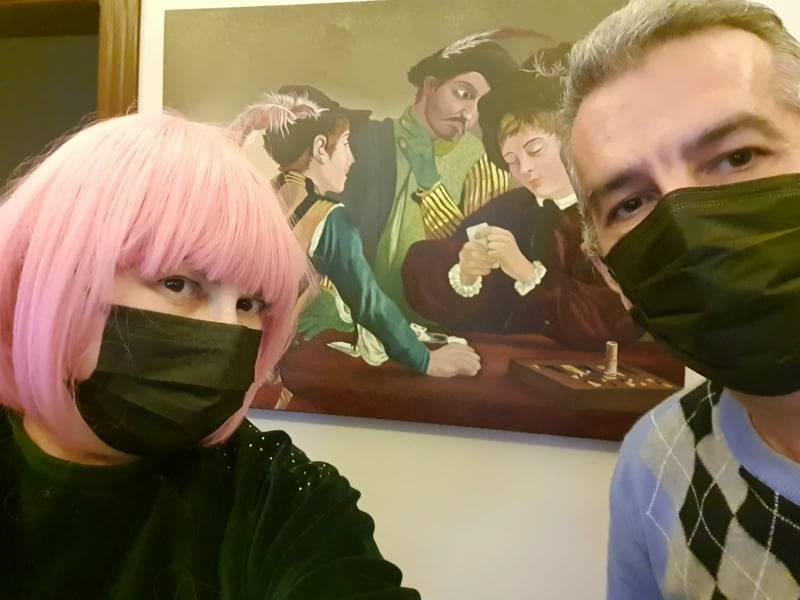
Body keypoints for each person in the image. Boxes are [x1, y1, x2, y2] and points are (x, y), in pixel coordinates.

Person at [0, 112, 421, 599]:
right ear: (53, 278)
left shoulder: (280, 498)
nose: (226, 332)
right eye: (178, 283)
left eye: (250, 304)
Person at [561, 0, 800, 597]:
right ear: (611, 277)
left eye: (736, 157)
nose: (689, 231)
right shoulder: (656, 460)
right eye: (631, 204)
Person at [401, 46, 642, 351]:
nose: (524, 168)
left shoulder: (617, 215)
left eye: (535, 150)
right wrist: (463, 268)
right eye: (511, 160)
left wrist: (527, 273)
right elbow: (426, 267)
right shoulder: (509, 209)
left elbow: (619, 322)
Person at [229, 87, 480, 379]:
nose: (351, 158)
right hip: (265, 364)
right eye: (346, 143)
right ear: (320, 147)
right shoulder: (328, 218)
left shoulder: (262, 197)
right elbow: (369, 303)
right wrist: (426, 360)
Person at [332, 29, 535, 323]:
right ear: (430, 86)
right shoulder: (362, 140)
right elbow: (325, 231)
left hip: (436, 323)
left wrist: (430, 184)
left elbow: (478, 259)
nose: (469, 114)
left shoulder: (484, 162)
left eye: (481, 105)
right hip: (349, 316)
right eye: (463, 94)